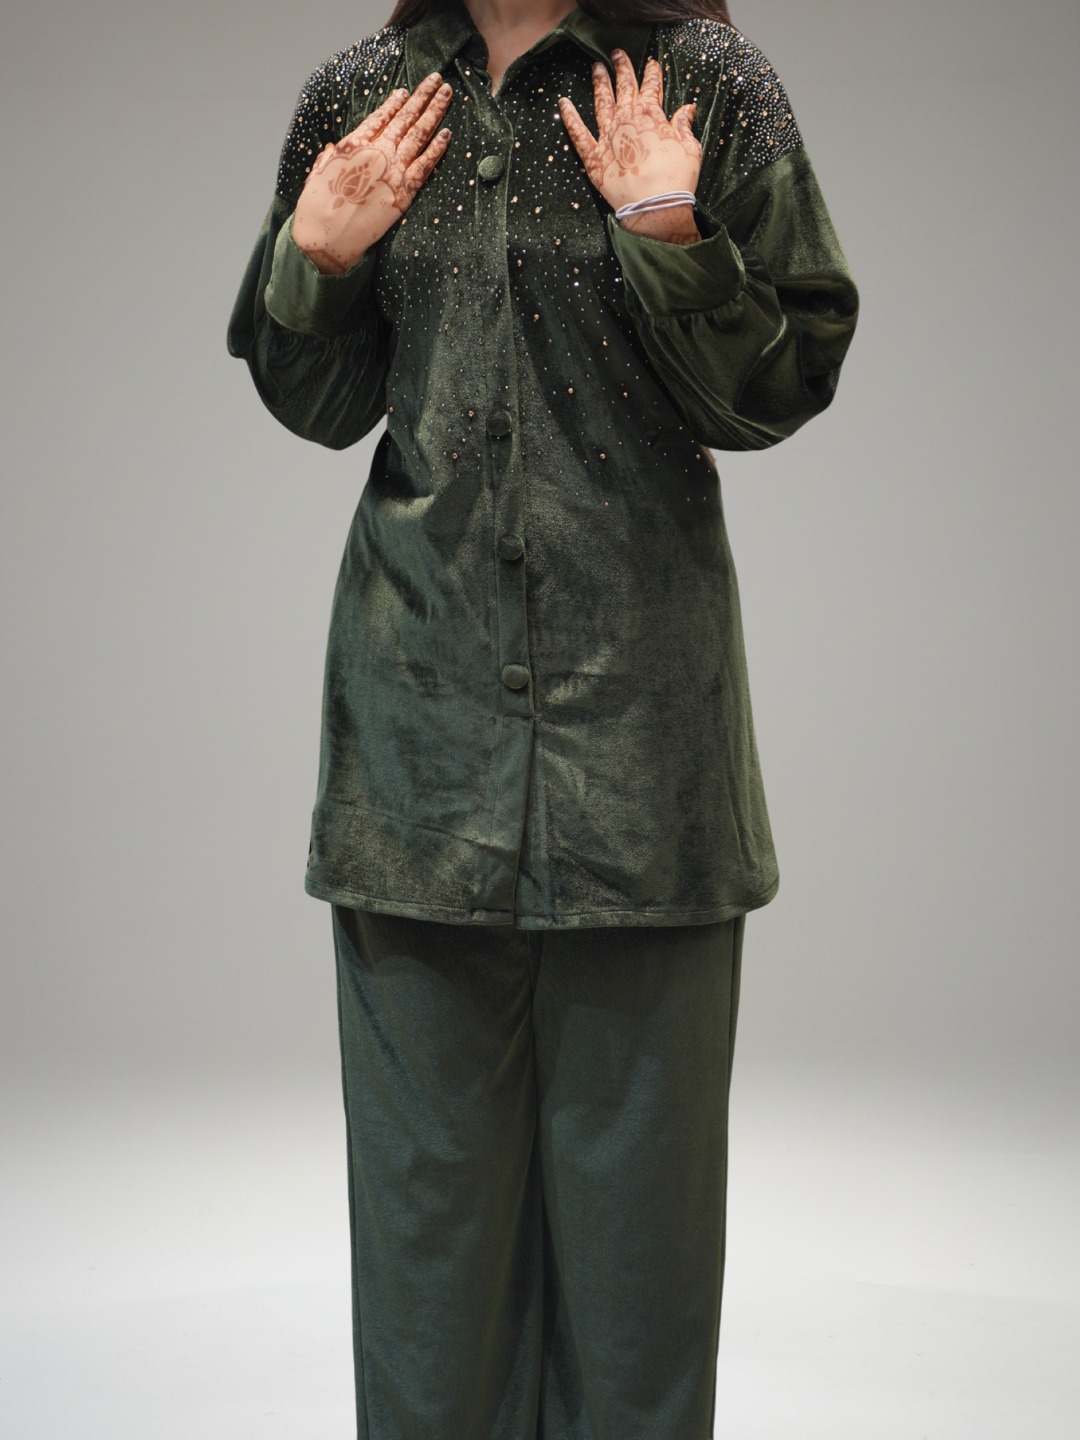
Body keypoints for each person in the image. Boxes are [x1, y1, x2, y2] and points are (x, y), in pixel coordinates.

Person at [227, 0, 858, 1432]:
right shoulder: (363, 91)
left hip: (641, 756)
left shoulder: (704, 83)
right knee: (426, 1261)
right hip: (417, 754)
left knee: (641, 1277)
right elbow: (319, 402)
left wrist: (668, 230)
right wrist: (316, 259)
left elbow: (780, 387)